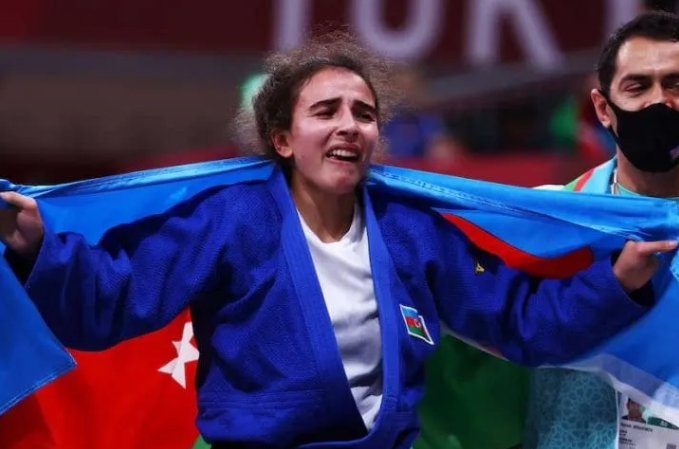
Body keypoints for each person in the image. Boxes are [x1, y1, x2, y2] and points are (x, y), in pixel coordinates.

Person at [0, 31, 674, 449]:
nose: (349, 125)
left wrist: (618, 282)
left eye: (364, 113)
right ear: (281, 137)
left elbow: (520, 322)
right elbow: (114, 301)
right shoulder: (228, 219)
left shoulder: (410, 230)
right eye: (325, 111)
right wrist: (38, 248)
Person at [524, 11, 679, 449]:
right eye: (638, 86)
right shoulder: (547, 221)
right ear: (603, 109)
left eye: (675, 84)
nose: (659, 102)